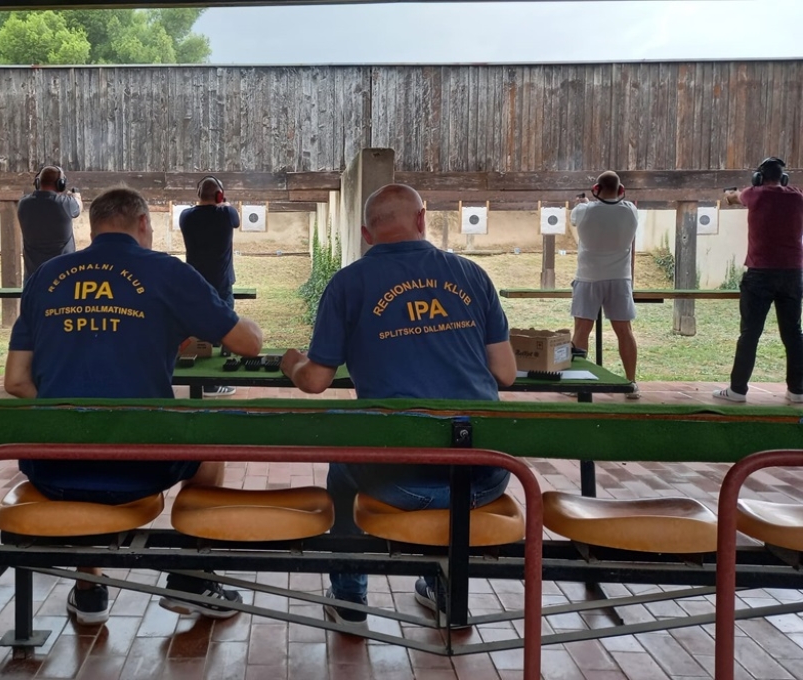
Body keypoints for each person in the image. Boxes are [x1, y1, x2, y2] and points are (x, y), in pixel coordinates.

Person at [5, 186, 263, 625]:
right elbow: (249, 344)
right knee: (210, 447)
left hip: (54, 468)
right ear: (143, 224)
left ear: (91, 227)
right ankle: (192, 577)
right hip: (142, 467)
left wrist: (72, 408)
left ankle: (89, 591)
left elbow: (15, 382)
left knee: (88, 442)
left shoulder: (46, 276)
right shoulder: (164, 271)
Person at [280, 184, 516, 629]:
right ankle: (446, 589)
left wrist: (291, 362)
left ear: (367, 235)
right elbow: (504, 373)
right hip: (484, 476)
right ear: (423, 219)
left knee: (343, 464)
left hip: (401, 481)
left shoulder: (349, 283)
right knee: (447, 446)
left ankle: (350, 598)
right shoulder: (472, 274)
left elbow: (315, 381)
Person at [715, 157, 803, 404]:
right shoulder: (797, 197)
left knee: (750, 334)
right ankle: (797, 390)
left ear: (759, 178)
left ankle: (737, 390)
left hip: (760, 274)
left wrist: (730, 192)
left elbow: (733, 198)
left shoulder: (755, 195)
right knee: (794, 333)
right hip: (793, 274)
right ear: (783, 178)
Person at [570, 171, 641, 399]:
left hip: (588, 278)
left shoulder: (583, 211)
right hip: (619, 279)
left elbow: (583, 214)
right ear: (621, 190)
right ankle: (630, 383)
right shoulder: (631, 210)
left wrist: (585, 202)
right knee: (624, 332)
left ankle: (578, 384)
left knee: (581, 331)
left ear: (595, 189)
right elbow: (612, 206)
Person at [179, 176, 241, 397]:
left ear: (198, 195)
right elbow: (236, 219)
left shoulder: (185, 217)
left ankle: (204, 382)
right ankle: (214, 383)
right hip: (222, 283)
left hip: (195, 283)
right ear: (220, 195)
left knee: (201, 334)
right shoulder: (226, 214)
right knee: (224, 330)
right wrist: (223, 201)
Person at [17, 165, 82, 284]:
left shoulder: (23, 204)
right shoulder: (66, 204)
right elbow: (78, 207)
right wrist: (76, 196)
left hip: (33, 280)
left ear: (38, 182)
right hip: (63, 279)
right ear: (61, 184)